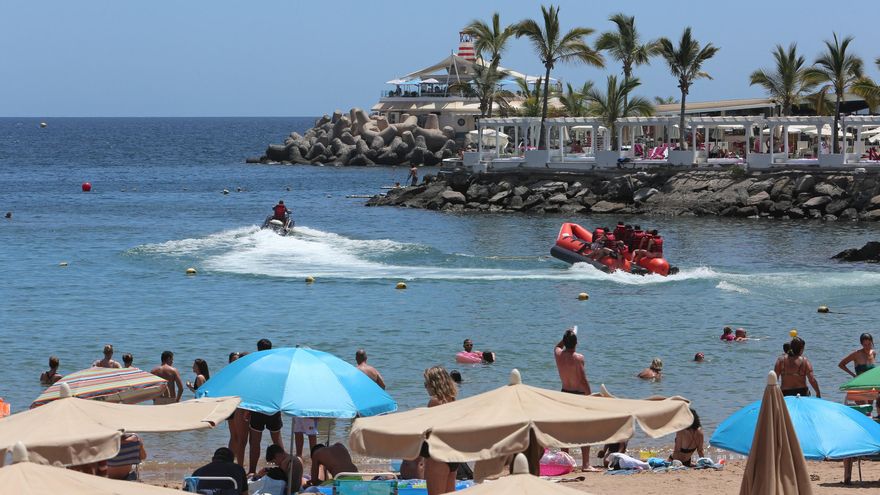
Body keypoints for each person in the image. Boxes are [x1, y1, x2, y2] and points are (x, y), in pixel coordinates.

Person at [554, 327, 596, 472]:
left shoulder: (558, 355)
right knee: (585, 430)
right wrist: (590, 397)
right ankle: (585, 464)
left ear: (565, 342)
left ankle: (566, 462)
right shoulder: (579, 358)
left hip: (564, 394)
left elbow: (557, 347)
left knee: (565, 430)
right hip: (578, 396)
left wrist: (565, 338)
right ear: (576, 343)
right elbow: (583, 380)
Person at [419, 366, 458, 494]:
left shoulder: (435, 402)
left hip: (437, 455)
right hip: (453, 455)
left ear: (434, 383)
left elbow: (428, 430)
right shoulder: (453, 400)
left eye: (427, 383)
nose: (425, 386)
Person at [248, 410, 285, 476]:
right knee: (277, 441)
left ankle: (252, 471)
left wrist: (247, 410)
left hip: (258, 408)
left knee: (255, 442)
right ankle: (284, 468)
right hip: (273, 408)